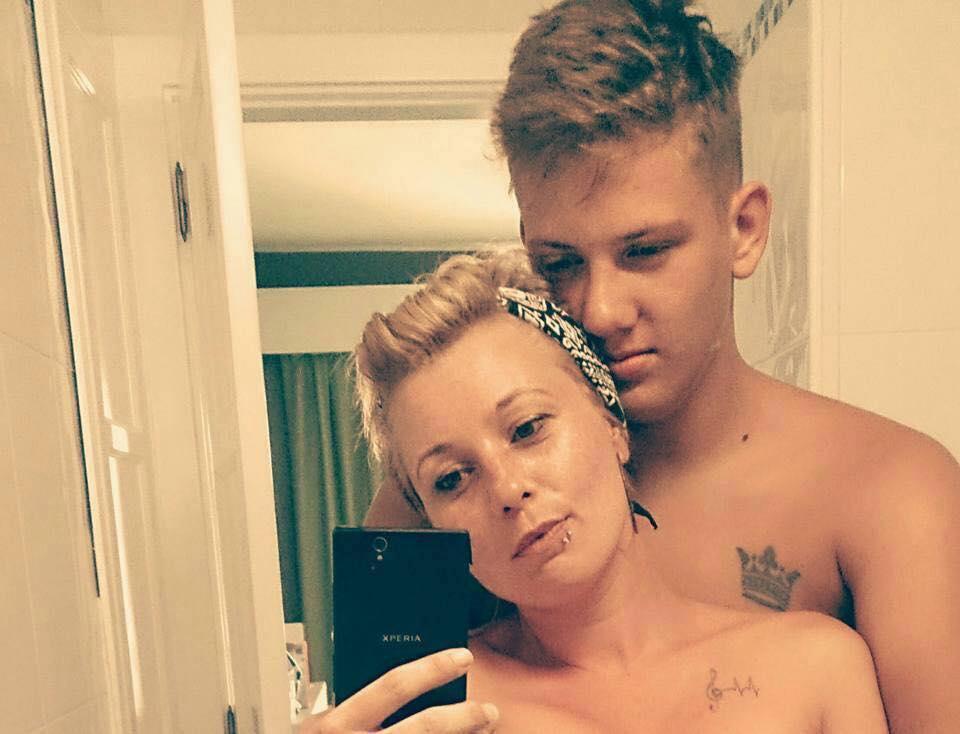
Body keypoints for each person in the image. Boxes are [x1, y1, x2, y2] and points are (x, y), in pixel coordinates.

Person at [365, 1, 960, 732]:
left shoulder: (888, 493)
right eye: (560, 262)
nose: (600, 309)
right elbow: (379, 710)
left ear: (743, 229)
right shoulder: (433, 505)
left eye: (644, 251)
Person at [306, 251, 887, 733]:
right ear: (431, 519)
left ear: (612, 426)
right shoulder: (432, 705)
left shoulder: (814, 668)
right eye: (452, 478)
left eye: (528, 429)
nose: (508, 489)